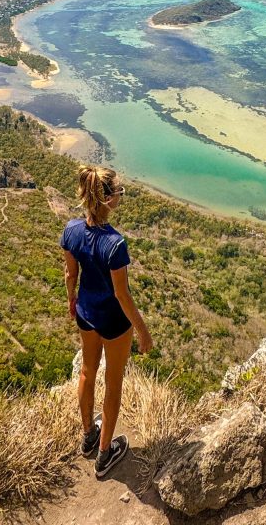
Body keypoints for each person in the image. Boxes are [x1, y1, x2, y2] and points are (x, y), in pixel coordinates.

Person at [60, 165, 153, 478]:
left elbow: (70, 275)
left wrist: (72, 301)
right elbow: (122, 296)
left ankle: (88, 435)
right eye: (119, 192)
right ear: (108, 199)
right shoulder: (115, 244)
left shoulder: (71, 230)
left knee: (87, 371)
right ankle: (104, 453)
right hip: (114, 322)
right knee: (113, 384)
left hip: (86, 314)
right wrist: (143, 333)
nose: (121, 197)